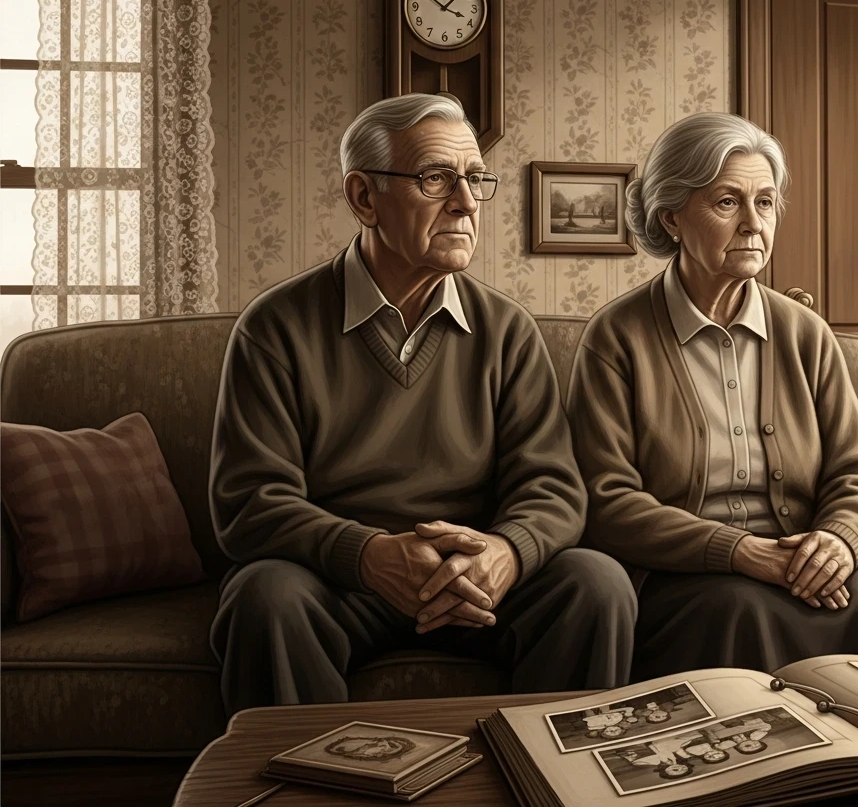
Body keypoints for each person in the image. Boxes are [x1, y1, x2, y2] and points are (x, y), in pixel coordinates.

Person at [209, 93, 635, 713]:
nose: (465, 202)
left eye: (474, 179)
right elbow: (250, 503)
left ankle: (555, 785)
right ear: (363, 198)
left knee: (597, 584)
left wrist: (506, 553)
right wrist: (372, 555)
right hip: (340, 583)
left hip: (479, 582)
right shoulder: (275, 328)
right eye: (437, 178)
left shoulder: (508, 330)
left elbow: (553, 486)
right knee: (263, 597)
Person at [567, 112, 858, 679]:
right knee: (740, 605)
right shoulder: (616, 337)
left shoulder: (805, 333)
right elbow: (607, 500)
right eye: (728, 202)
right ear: (672, 216)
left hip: (797, 556)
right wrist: (737, 551)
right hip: (683, 576)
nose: (754, 224)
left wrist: (837, 543)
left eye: (767, 202)